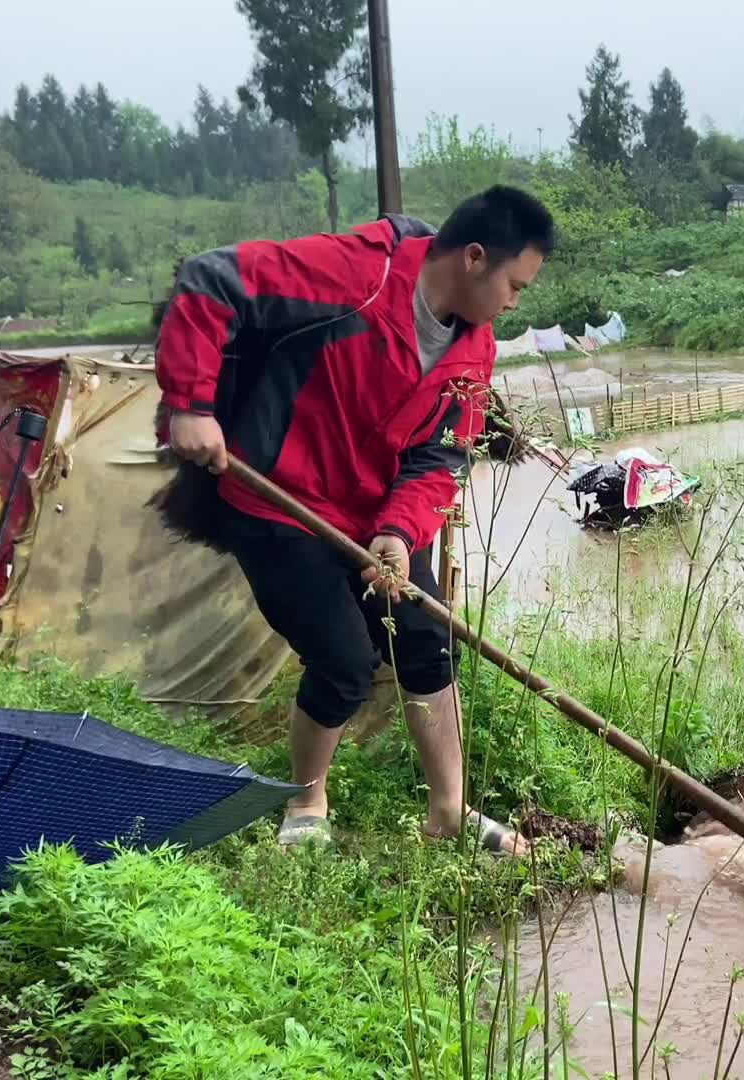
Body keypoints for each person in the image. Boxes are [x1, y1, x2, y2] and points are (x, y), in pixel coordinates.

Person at [150, 186, 557, 855]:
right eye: (514, 285)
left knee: (428, 644)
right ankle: (307, 804)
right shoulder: (359, 273)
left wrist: (398, 532)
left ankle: (449, 811)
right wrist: (191, 404)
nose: (515, 302)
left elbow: (443, 452)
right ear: (475, 258)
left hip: (373, 513)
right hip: (279, 504)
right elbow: (211, 279)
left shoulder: (474, 350)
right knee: (343, 662)